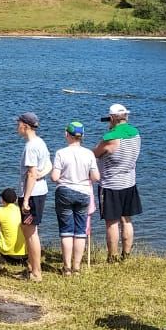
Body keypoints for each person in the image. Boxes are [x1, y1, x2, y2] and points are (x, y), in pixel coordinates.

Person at [93, 103, 142, 262]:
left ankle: (112, 256)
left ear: (112, 118)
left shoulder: (111, 138)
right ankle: (126, 254)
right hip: (129, 182)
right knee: (127, 220)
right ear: (126, 116)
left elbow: (95, 153)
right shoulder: (136, 133)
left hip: (111, 185)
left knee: (111, 222)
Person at [51, 121, 99, 276]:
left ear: (67, 135)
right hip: (84, 193)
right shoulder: (89, 153)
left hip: (64, 191)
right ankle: (76, 268)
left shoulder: (61, 153)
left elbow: (54, 177)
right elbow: (96, 176)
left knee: (66, 231)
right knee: (80, 231)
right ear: (82, 136)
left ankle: (66, 268)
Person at [16, 112, 50, 282]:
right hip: (41, 190)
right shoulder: (40, 142)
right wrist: (40, 175)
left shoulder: (30, 147)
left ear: (26, 126)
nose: (17, 126)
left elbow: (31, 174)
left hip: (32, 194)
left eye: (19, 124)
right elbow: (49, 165)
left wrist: (26, 199)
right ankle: (31, 267)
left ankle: (36, 272)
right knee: (30, 230)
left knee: (30, 233)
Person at [0, 188, 26, 267]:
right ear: (16, 200)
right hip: (25, 256)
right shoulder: (21, 210)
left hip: (9, 256)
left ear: (2, 200)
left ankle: (2, 256)